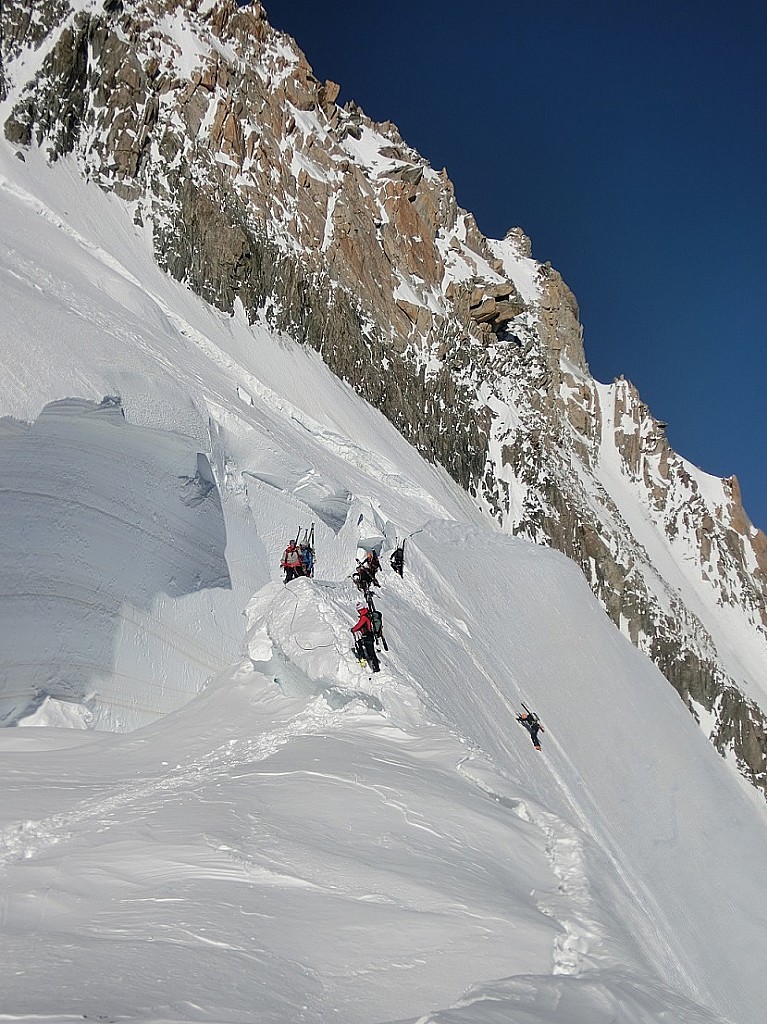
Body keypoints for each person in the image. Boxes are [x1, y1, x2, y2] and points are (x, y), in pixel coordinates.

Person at [350, 602, 380, 673]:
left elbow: (359, 625)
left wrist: (353, 630)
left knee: (371, 653)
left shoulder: (364, 617)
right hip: (369, 636)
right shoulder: (367, 615)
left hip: (367, 636)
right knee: (363, 646)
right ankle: (372, 665)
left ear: (360, 610)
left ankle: (375, 668)